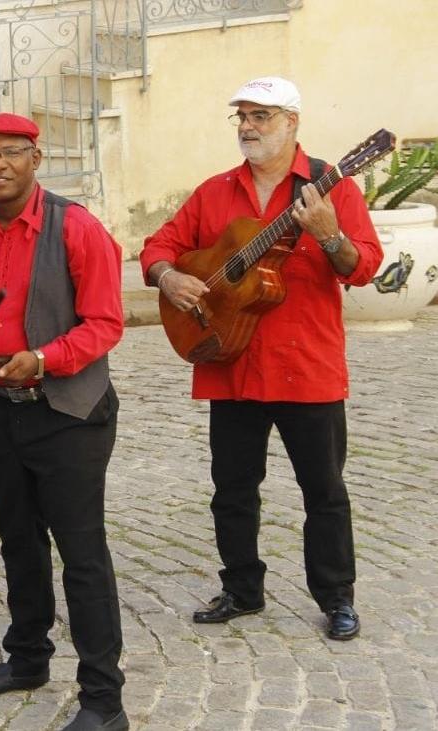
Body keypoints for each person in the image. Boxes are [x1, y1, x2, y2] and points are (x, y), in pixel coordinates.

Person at [141, 77, 382, 642]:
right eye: (242, 116)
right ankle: (242, 589)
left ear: (293, 123)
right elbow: (157, 246)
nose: (248, 126)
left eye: (262, 116)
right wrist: (170, 277)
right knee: (232, 487)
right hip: (230, 363)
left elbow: (363, 266)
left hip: (308, 367)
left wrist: (327, 235)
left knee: (323, 491)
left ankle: (336, 597)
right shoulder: (215, 191)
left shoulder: (332, 188)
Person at [0, 113, 127, 731]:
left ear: (35, 159)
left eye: (11, 153)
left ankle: (104, 699)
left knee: (82, 554)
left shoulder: (75, 227)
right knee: (17, 538)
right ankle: (27, 658)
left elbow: (105, 323)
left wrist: (45, 359)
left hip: (67, 412)